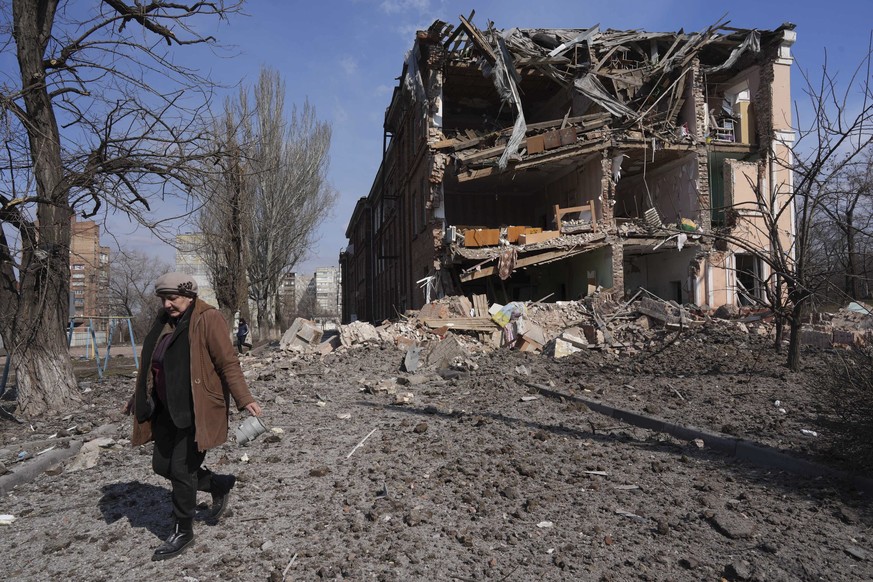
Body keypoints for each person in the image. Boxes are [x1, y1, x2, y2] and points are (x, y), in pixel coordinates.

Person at [125, 272, 263, 561]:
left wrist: (244, 398)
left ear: (189, 295)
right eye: (163, 299)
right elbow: (154, 365)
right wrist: (136, 398)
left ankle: (182, 531)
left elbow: (227, 362)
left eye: (172, 298)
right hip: (165, 410)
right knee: (162, 466)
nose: (166, 304)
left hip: (195, 409)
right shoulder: (165, 322)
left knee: (181, 470)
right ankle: (218, 484)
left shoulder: (207, 318)